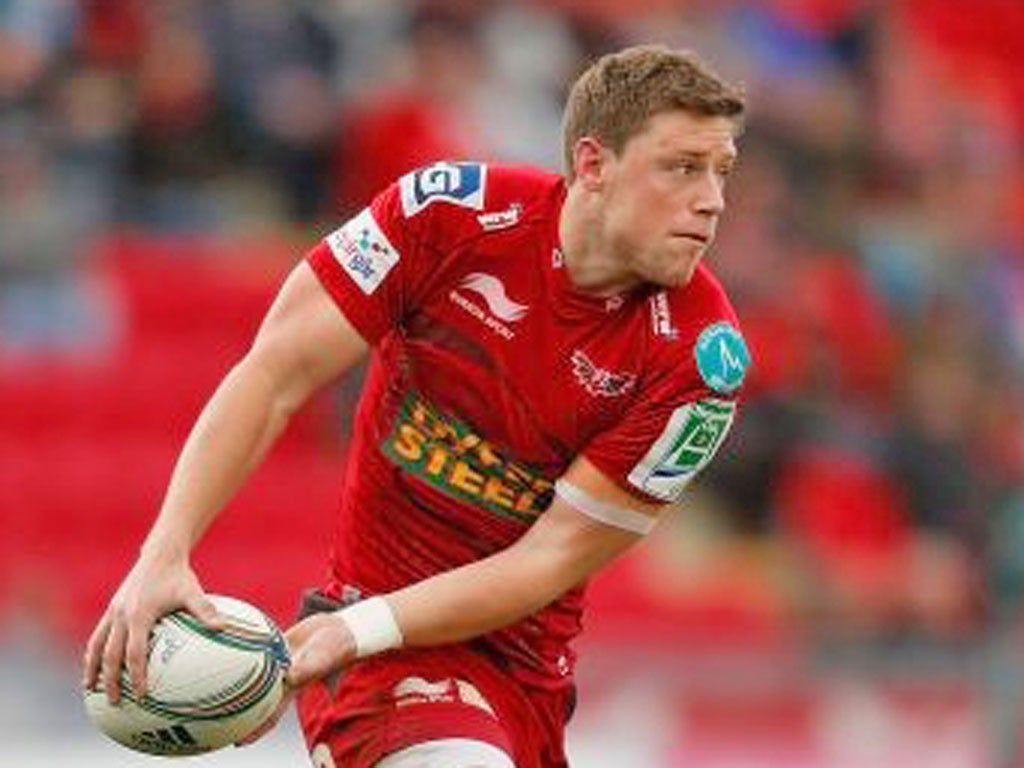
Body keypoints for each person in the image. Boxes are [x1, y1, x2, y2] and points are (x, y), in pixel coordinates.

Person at [82, 44, 751, 768]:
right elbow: (275, 373)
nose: (712, 199)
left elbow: (551, 555)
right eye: (682, 167)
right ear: (593, 165)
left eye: (722, 172)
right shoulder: (448, 213)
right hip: (376, 653)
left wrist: (360, 628)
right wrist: (165, 552)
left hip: (522, 676)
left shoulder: (701, 359)